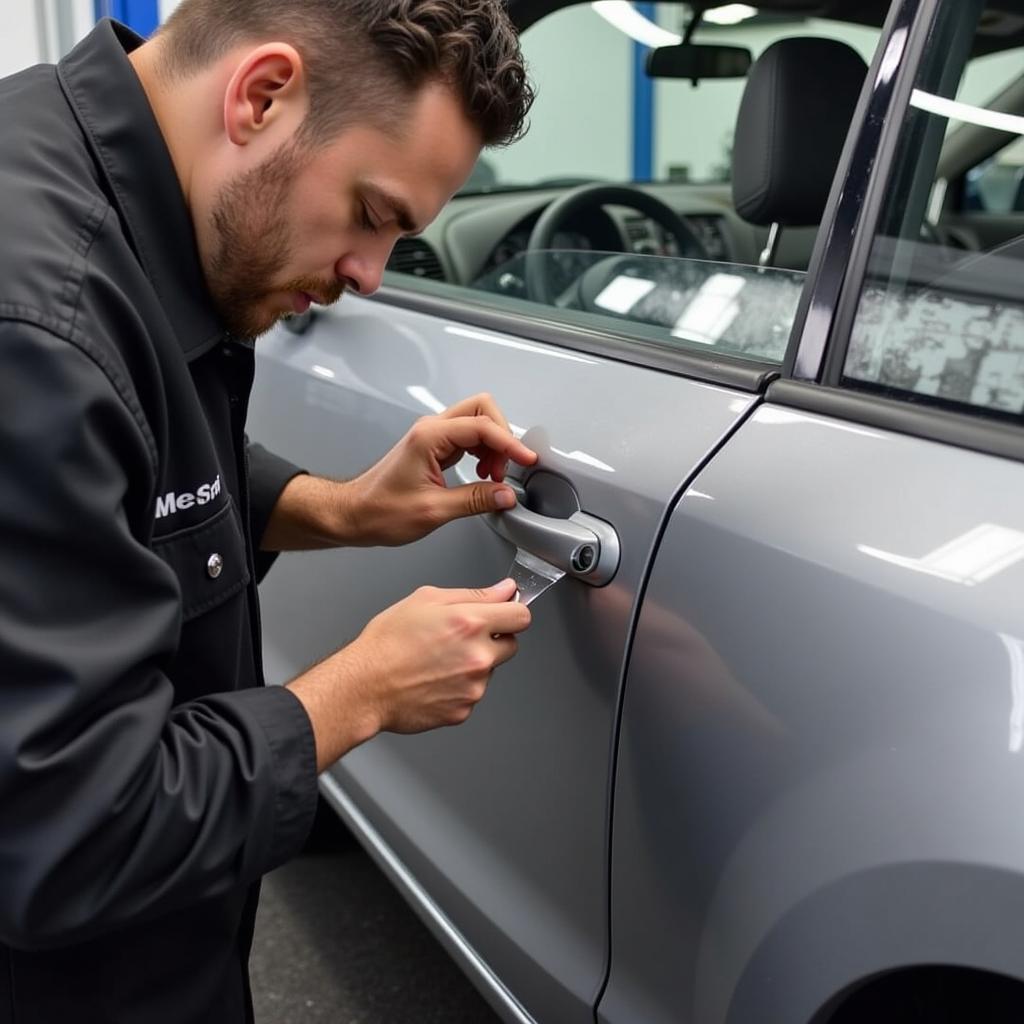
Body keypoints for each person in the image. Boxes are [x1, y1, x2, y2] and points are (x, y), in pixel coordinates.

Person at [0, 1, 536, 1020]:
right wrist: (361, 690)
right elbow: (64, 834)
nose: (366, 278)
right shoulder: (39, 327)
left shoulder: (94, 177)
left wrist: (336, 509)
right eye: (373, 214)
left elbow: (126, 465)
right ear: (262, 95)